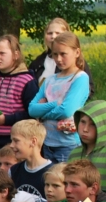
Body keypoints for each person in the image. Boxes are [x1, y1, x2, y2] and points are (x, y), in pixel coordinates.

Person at [0, 35, 39, 172]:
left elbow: (32, 115)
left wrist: (5, 119)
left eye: (2, 53)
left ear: (16, 54)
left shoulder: (26, 81)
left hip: (12, 145)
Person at [28, 32, 87, 163]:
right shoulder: (49, 80)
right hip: (47, 142)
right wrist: (56, 104)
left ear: (77, 52)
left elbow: (66, 111)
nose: (58, 59)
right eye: (55, 54)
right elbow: (32, 109)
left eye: (63, 54)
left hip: (68, 144)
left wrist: (43, 110)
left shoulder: (80, 78)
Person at [66, 100, 106, 192]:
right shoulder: (74, 153)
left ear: (102, 126)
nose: (85, 129)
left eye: (92, 124)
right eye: (83, 122)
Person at [7, 120, 51, 202]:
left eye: (16, 141)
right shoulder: (13, 171)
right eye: (11, 141)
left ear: (33, 141)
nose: (11, 145)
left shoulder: (52, 172)